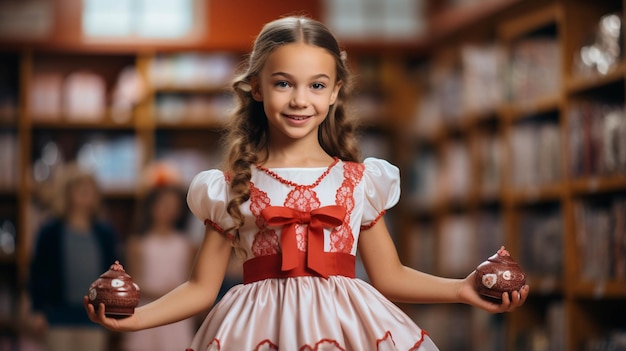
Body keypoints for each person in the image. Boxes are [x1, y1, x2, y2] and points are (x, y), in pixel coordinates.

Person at [85, 16, 529, 350]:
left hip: (349, 327)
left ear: (336, 91)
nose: (300, 99)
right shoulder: (230, 186)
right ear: (257, 88)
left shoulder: (359, 181)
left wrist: (461, 288)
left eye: (317, 85)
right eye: (283, 83)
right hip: (255, 329)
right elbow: (201, 288)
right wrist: (136, 320)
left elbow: (389, 277)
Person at [30, 163, 118, 351]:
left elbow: (114, 273)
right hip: (58, 315)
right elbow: (37, 273)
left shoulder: (104, 233)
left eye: (91, 190)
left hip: (94, 316)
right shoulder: (50, 232)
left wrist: (113, 310)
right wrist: (37, 310)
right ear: (67, 193)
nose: (87, 194)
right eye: (81, 189)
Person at [122, 168, 196, 351]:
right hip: (147, 311)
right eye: (164, 205)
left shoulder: (186, 244)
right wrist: (163, 293)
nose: (168, 211)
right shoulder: (138, 244)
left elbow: (191, 281)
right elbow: (134, 284)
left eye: (173, 206)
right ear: (152, 206)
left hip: (176, 314)